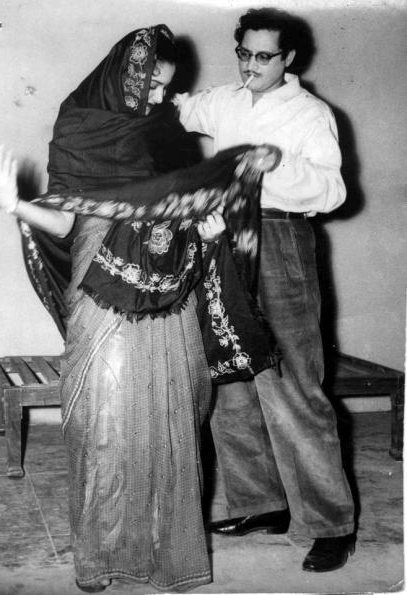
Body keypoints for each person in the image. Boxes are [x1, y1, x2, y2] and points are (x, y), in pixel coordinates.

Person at [0, 25, 281, 592]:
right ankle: (101, 559)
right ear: (127, 76)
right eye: (151, 87)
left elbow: (183, 204)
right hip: (101, 289)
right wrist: (15, 205)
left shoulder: (163, 132)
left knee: (174, 419)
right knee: (103, 422)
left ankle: (172, 560)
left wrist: (211, 226)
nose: (158, 100)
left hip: (171, 293)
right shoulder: (78, 126)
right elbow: (69, 219)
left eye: (165, 89)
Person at [173, 7, 356, 573]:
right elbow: (176, 108)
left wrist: (273, 165)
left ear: (289, 59)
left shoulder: (310, 114)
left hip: (278, 238)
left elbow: (332, 192)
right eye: (244, 53)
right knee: (230, 376)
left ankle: (331, 525)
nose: (251, 65)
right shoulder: (225, 100)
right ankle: (261, 504)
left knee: (292, 385)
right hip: (222, 240)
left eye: (264, 56)